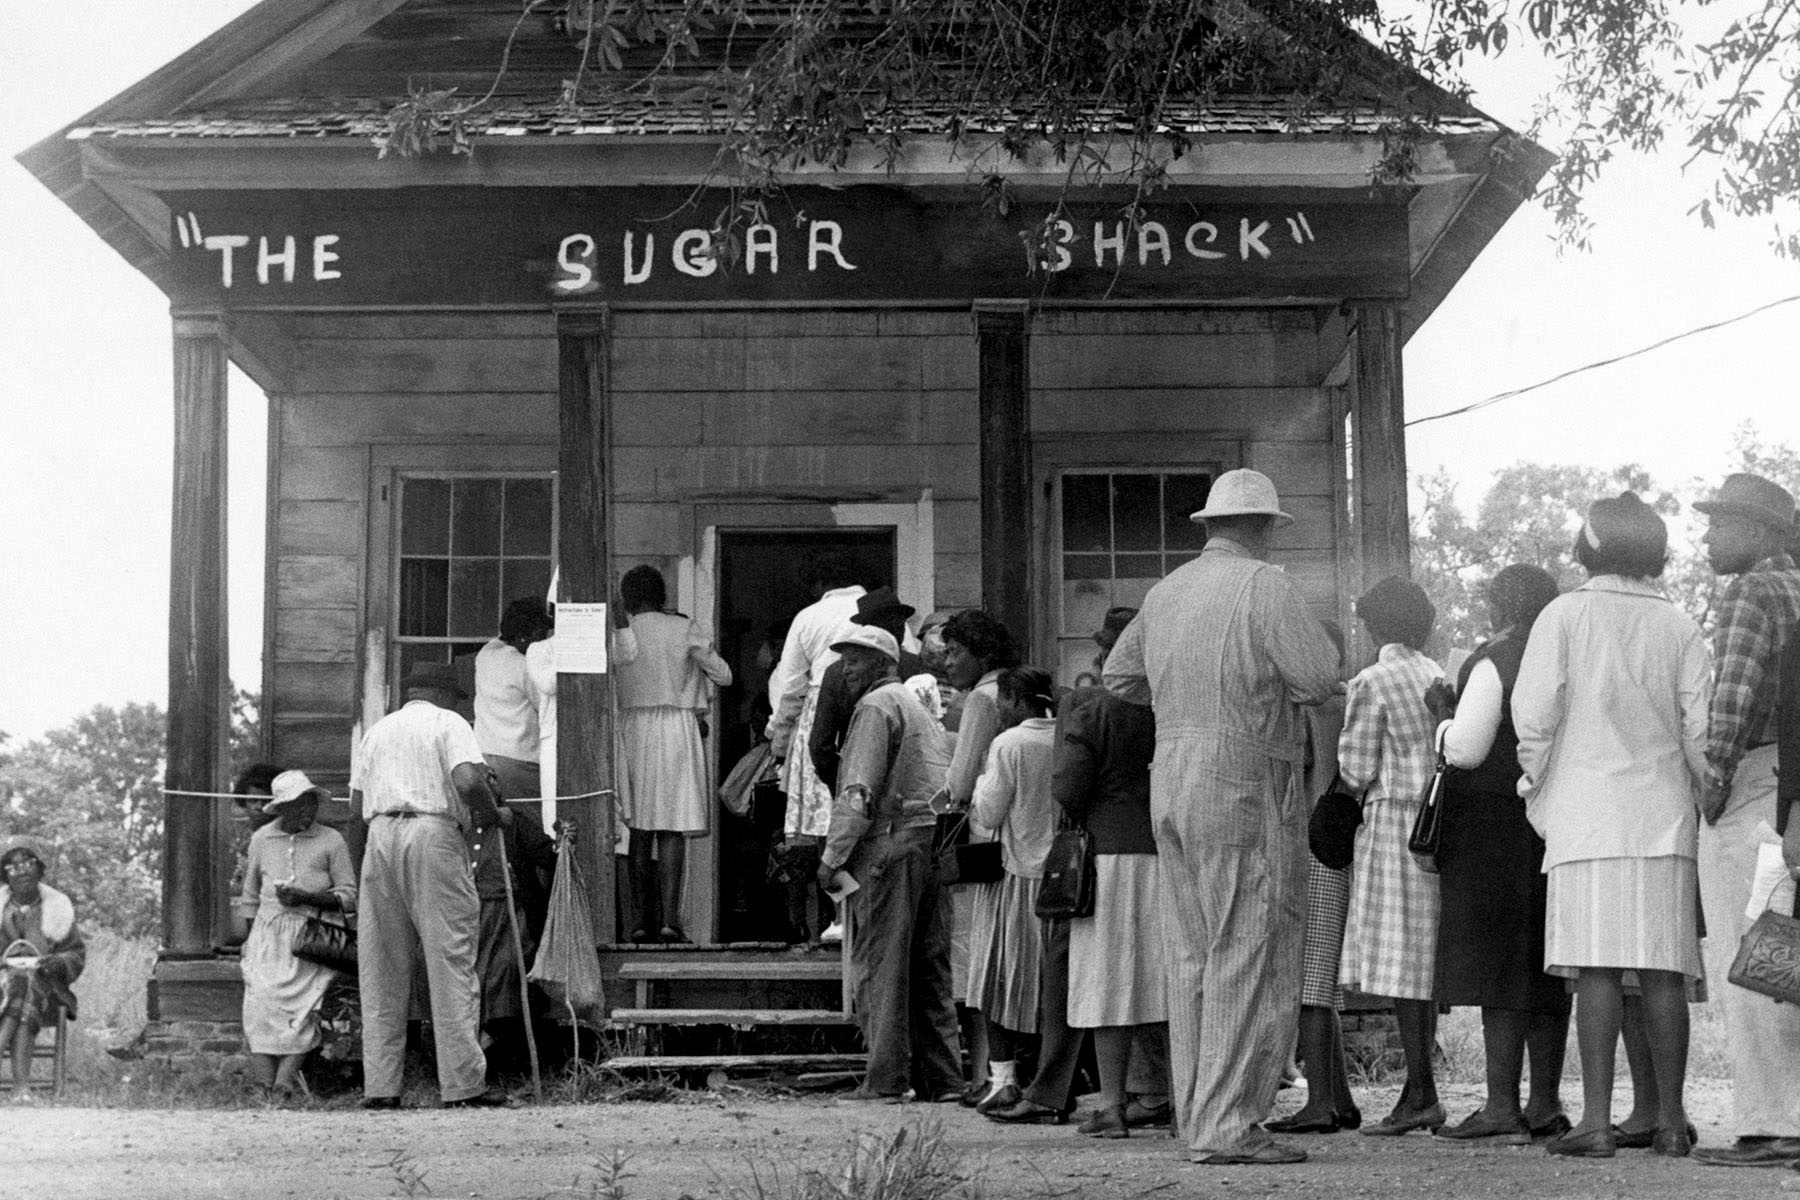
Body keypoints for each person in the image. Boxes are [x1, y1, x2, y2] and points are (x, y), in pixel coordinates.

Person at [1103, 468, 1340, 1165]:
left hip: (1171, 772)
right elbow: (1319, 678)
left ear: (1209, 526)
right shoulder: (1264, 585)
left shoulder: (1166, 590)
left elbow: (1121, 677)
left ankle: (1200, 1114)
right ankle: (1228, 1123)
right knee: (1247, 945)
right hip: (1240, 771)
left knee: (1193, 951)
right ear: (1264, 526)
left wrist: (1186, 702)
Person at [1513, 492, 1709, 1159]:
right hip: (1663, 816)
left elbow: (1534, 714)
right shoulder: (1680, 624)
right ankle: (1673, 1122)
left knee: (1595, 971)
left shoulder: (1564, 614)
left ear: (1588, 545)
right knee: (1662, 972)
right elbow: (1700, 731)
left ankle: (1596, 1122)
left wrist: (1534, 783)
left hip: (1588, 812)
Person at [1425, 565, 1572, 1144]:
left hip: (1490, 826)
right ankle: (1545, 1104)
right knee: (1545, 963)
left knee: (1497, 966)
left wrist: (1441, 718)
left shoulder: (1495, 659)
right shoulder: (1563, 652)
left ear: (1500, 604)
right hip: (1551, 819)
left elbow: (1467, 748)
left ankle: (1501, 1108)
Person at [1689, 473, 1800, 1167]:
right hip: (1791, 787)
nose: (1707, 535)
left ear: (1757, 533)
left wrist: (1712, 788)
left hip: (1753, 783)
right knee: (1784, 956)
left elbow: (1730, 700)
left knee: (1749, 961)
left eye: (1720, 523)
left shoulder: (1750, 592)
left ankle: (1772, 1122)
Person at [350, 661, 508, 1109]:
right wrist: (490, 813)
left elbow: (355, 807)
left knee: (380, 966)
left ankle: (381, 1088)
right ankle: (462, 1086)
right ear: (445, 696)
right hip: (431, 832)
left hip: (379, 834)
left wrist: (360, 873)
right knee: (450, 958)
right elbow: (466, 779)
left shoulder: (377, 731)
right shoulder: (448, 722)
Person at [816, 625, 961, 1101]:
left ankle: (885, 1079)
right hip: (929, 843)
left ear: (882, 662)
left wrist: (833, 855)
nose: (846, 668)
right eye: (844, 659)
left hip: (888, 846)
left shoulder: (876, 707)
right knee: (928, 968)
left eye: (855, 659)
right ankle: (943, 1080)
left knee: (881, 964)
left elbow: (858, 791)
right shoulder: (916, 704)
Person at [1041, 607, 1171, 1139]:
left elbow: (1068, 788)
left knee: (1106, 981)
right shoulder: (1168, 708)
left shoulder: (1092, 710)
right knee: (1165, 983)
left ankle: (1113, 1107)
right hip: (1164, 852)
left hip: (1107, 855)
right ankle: (1180, 1099)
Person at [1337, 576, 1446, 1137]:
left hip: (1391, 821)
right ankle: (1420, 1086)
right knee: (1422, 959)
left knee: (1401, 960)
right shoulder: (1436, 673)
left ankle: (1420, 1091)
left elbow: (1355, 768)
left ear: (1376, 626)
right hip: (1435, 821)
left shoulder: (1373, 681)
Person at [1267, 620, 1358, 1135]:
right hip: (1344, 845)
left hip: (1311, 848)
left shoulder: (1309, 711)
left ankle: (1319, 1103)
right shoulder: (1350, 699)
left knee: (1309, 984)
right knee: (1323, 980)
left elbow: (1294, 777)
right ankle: (1339, 1098)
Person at [613, 565, 732, 943]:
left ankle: (637, 921)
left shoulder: (621, 634)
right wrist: (695, 672)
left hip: (632, 726)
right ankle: (669, 921)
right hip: (676, 726)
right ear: (661, 596)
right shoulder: (683, 628)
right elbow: (724, 675)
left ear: (629, 599)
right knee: (672, 827)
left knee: (638, 829)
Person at [965, 667, 1059, 1116]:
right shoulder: (1064, 738)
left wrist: (978, 785)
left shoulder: (1009, 744)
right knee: (1049, 985)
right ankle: (1049, 1080)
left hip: (1012, 874)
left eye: (1002, 700)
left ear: (1017, 699)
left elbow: (988, 809)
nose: (997, 709)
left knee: (997, 981)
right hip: (1061, 878)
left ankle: (1003, 1079)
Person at [938, 609, 1022, 1103]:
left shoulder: (980, 700)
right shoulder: (1013, 690)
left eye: (955, 652)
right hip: (1020, 837)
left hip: (983, 837)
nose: (947, 662)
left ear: (982, 653)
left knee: (974, 955)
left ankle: (986, 1074)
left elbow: (960, 780)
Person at [235, 770, 357, 1097]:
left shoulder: (331, 840)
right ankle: (262, 1082)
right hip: (267, 934)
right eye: (297, 805)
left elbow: (349, 895)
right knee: (259, 1003)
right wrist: (252, 941)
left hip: (311, 936)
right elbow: (249, 896)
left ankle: (285, 1082)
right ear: (281, 808)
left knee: (303, 1008)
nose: (307, 812)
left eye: (311, 804)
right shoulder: (262, 838)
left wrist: (307, 897)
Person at [766, 552, 865, 940]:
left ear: (819, 583)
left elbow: (790, 686)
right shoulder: (875, 611)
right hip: (873, 708)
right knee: (864, 811)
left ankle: (836, 916)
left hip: (820, 713)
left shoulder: (808, 617)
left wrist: (780, 735)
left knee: (826, 822)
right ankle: (853, 914)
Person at [469, 793, 557, 1060]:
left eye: (494, 778)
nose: (489, 782)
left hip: (514, 915)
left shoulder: (515, 821)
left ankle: (496, 1042)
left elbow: (548, 856)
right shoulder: (456, 824)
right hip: (470, 916)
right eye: (484, 776)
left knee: (506, 966)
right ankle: (472, 1047)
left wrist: (563, 845)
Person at [0, 843, 84, 1096]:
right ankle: (21, 1089)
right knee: (21, 988)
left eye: (27, 863)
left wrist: (58, 962)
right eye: (13, 866)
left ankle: (21, 1086)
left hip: (48, 992)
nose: (21, 871)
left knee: (27, 984)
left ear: (39, 868)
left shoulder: (57, 908)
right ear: (5, 875)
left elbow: (76, 954)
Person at [475, 598, 553, 800]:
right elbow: (544, 705)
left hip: (485, 753)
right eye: (540, 634)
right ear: (523, 636)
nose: (542, 640)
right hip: (519, 759)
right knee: (545, 826)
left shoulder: (485, 654)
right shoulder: (523, 665)